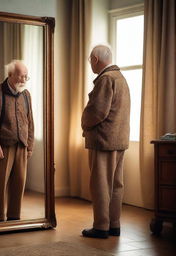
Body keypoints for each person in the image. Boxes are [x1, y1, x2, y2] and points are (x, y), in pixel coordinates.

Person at [81, 45, 130, 238]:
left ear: (95, 59)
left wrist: (84, 123)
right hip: (120, 139)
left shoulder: (106, 79)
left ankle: (101, 226)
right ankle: (114, 224)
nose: (90, 64)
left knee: (100, 184)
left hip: (103, 140)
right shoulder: (121, 78)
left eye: (89, 60)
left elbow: (97, 112)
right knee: (116, 185)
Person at [0, 60, 34, 222]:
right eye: (21, 76)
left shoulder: (26, 95)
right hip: (2, 147)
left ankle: (14, 217)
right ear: (10, 75)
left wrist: (30, 146)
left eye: (26, 77)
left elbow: (30, 122)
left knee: (19, 183)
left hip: (22, 146)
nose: (24, 80)